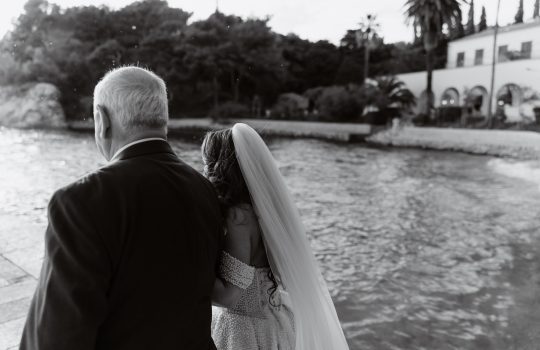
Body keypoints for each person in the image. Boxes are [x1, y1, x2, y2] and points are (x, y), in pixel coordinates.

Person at [19, 66, 223, 350]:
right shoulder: (204, 189)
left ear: (101, 120)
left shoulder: (80, 201)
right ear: (163, 119)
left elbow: (55, 337)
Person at [202, 124, 350, 350]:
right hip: (276, 323)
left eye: (207, 162)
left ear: (220, 166)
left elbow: (229, 297)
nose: (204, 170)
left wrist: (186, 271)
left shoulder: (238, 217)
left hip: (242, 333)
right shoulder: (264, 211)